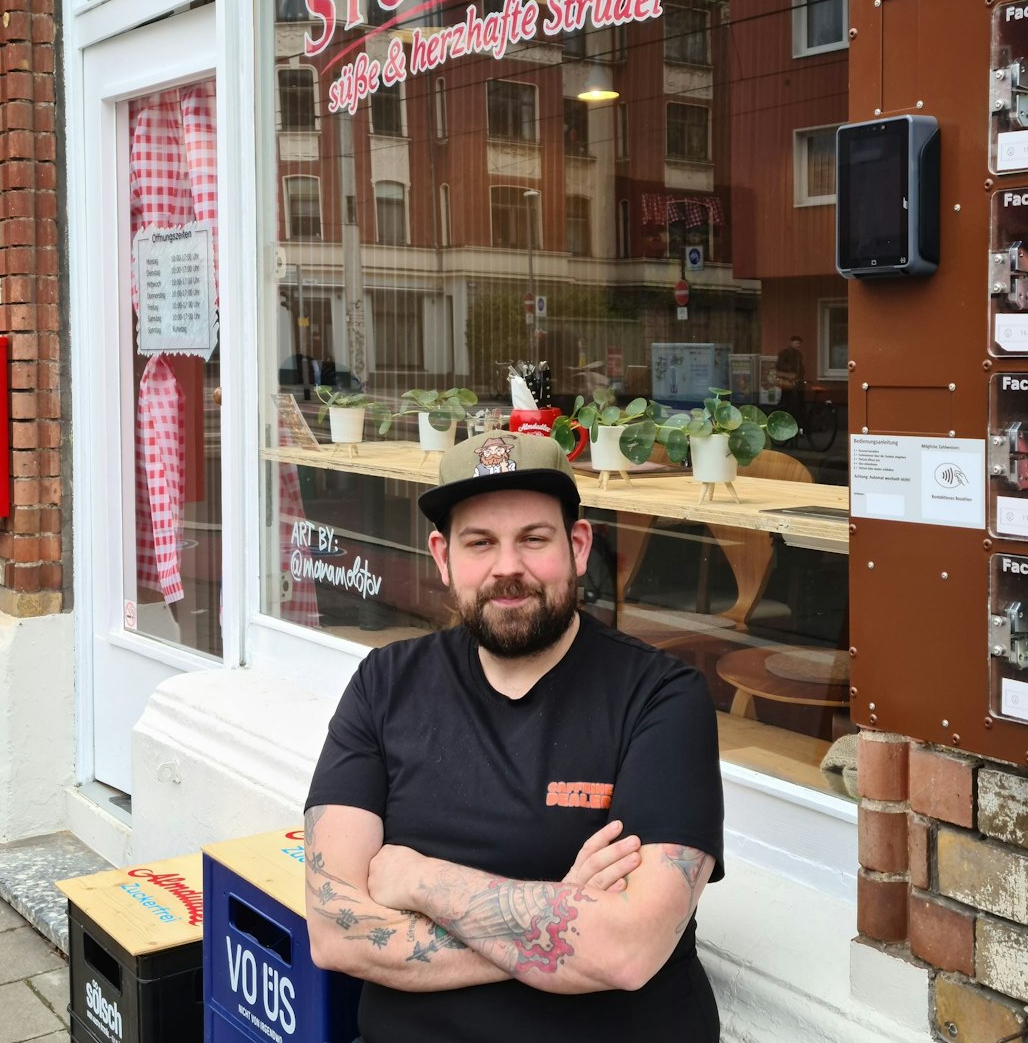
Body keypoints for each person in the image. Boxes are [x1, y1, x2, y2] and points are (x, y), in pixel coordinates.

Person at [304, 431, 724, 1043]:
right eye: (480, 542)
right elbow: (335, 932)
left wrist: (419, 879)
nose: (507, 567)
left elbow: (627, 950)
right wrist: (558, 918)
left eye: (533, 539)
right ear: (443, 557)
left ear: (577, 546)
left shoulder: (661, 697)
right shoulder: (385, 684)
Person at [773, 334, 807, 417]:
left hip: (797, 381)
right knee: (786, 400)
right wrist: (790, 370)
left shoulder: (798, 354)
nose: (798, 345)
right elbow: (779, 365)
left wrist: (801, 374)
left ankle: (796, 417)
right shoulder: (784, 353)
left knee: (797, 400)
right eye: (796, 343)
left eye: (799, 344)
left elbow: (800, 367)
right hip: (788, 381)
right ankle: (778, 416)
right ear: (791, 343)